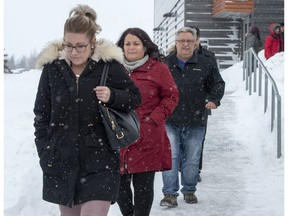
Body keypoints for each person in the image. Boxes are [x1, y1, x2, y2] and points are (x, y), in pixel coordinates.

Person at [33, 4, 141, 216]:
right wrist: (45, 151)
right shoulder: (52, 70)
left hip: (100, 162)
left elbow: (135, 98)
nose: (74, 52)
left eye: (80, 46)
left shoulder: (109, 66)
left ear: (93, 42)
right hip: (62, 162)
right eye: (68, 45)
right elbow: (41, 116)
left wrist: (113, 96)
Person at [116, 27, 179, 216]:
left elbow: (171, 96)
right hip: (120, 135)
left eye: (136, 43)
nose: (131, 47)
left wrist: (154, 119)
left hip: (147, 136)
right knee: (120, 186)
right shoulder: (114, 68)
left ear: (145, 46)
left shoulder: (158, 68)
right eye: (127, 44)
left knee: (143, 187)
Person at [160, 27, 225, 207]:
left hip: (196, 119)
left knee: (192, 158)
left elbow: (218, 83)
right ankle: (170, 194)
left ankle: (189, 190)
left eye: (189, 40)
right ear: (176, 43)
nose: (185, 44)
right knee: (171, 157)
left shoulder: (206, 62)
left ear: (196, 42)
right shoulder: (165, 63)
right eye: (182, 41)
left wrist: (213, 99)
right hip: (170, 120)